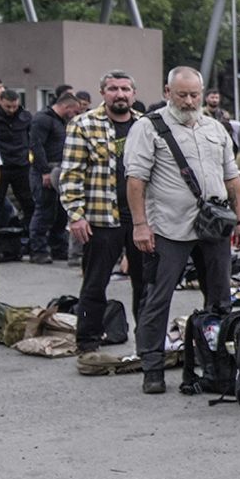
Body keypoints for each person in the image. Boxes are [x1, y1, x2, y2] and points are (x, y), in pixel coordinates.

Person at [125, 67, 240, 394]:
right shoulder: (147, 128)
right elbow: (135, 180)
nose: (190, 100)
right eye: (182, 95)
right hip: (168, 227)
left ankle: (218, 365)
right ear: (168, 92)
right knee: (157, 297)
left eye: (195, 94)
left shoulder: (215, 127)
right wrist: (140, 225)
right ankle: (152, 367)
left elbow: (232, 177)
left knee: (221, 298)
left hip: (215, 226)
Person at [61, 70, 150, 354]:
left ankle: (148, 343)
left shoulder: (145, 125)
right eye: (113, 89)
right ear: (103, 93)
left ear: (133, 93)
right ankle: (87, 341)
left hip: (140, 219)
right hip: (101, 217)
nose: (120, 94)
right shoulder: (83, 124)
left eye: (125, 89)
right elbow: (71, 173)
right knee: (95, 283)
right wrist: (76, 215)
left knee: (146, 284)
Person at [27, 90, 82, 264]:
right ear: (67, 107)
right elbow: (36, 146)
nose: (76, 115)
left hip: (59, 168)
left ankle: (58, 247)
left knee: (60, 212)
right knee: (44, 211)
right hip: (47, 169)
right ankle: (38, 250)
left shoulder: (59, 121)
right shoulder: (43, 119)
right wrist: (44, 171)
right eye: (75, 111)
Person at [0, 89, 34, 256]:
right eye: (8, 106)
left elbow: (32, 138)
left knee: (28, 201)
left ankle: (29, 239)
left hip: (21, 164)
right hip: (2, 164)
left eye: (14, 106)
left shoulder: (26, 117)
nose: (11, 110)